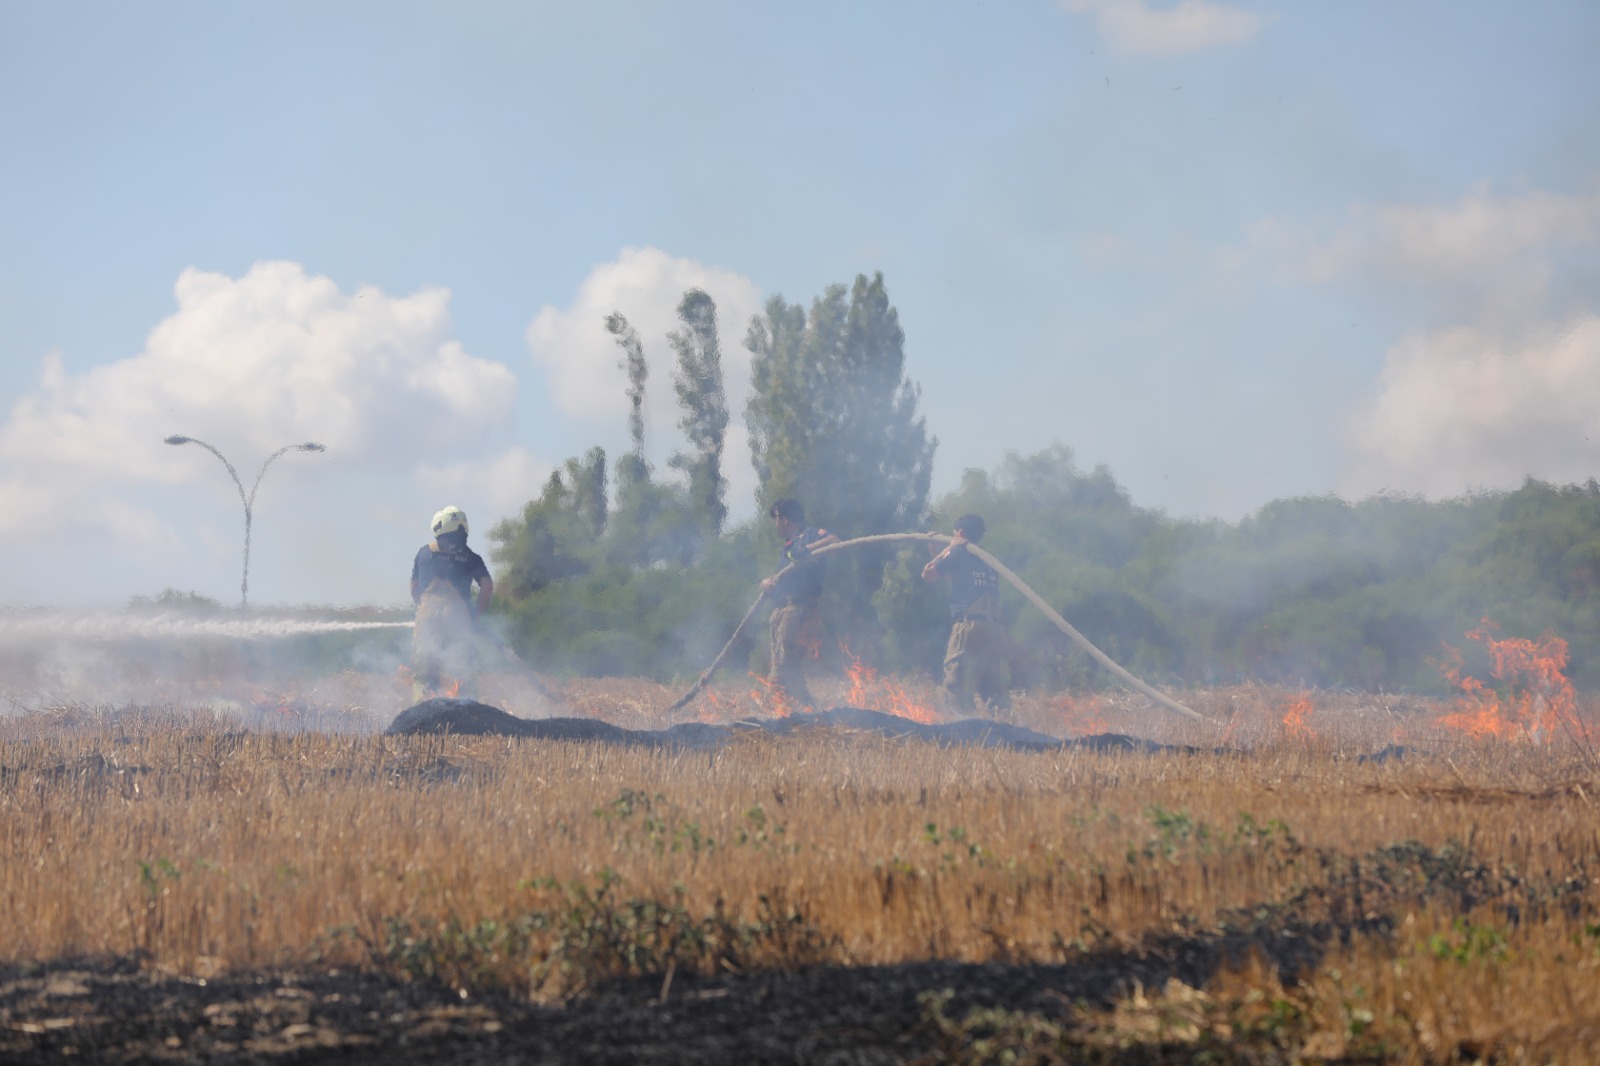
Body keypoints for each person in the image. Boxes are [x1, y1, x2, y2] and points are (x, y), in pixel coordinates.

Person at [922, 513, 1009, 715]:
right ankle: (1005, 730)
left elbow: (928, 574)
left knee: (956, 684)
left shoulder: (959, 551)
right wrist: (936, 550)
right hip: (993, 629)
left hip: (969, 627)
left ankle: (955, 730)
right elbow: (954, 578)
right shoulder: (986, 559)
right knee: (992, 688)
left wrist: (949, 548)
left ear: (959, 533)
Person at [410, 505, 494, 701]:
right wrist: (475, 617)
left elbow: (413, 588)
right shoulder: (472, 558)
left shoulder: (424, 554)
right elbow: (487, 586)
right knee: (464, 669)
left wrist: (421, 611)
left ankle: (421, 713)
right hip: (459, 620)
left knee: (425, 673)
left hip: (427, 623)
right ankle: (468, 711)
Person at [760, 498, 838, 709]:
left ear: (785, 520)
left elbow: (833, 540)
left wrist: (805, 550)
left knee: (786, 667)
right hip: (782, 609)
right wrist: (769, 584)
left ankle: (790, 710)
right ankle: (801, 710)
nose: (775, 524)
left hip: (799, 610)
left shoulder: (810, 535)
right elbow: (785, 580)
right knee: (781, 666)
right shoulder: (787, 549)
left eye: (776, 518)